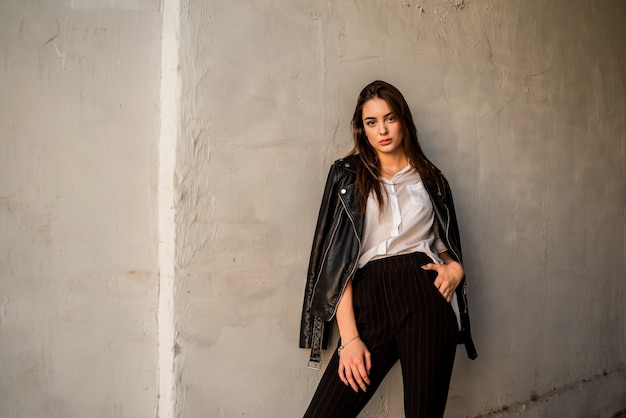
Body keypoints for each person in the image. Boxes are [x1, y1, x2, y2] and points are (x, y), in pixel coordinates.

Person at [299, 80, 477, 417]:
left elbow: (444, 244)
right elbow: (335, 262)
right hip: (368, 299)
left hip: (424, 296)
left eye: (390, 118)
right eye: (371, 122)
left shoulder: (433, 180)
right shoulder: (346, 176)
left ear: (404, 121)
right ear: (362, 130)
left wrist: (456, 268)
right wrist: (349, 339)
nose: (382, 130)